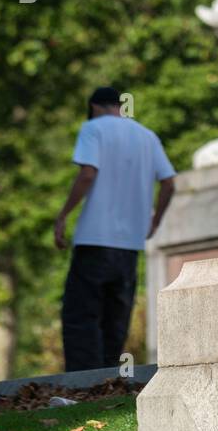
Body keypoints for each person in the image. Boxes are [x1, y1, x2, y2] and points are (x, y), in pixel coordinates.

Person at [54, 87, 176, 371]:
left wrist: (63, 216)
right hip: (130, 246)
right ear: (119, 106)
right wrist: (155, 220)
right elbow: (169, 182)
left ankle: (83, 382)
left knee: (82, 314)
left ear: (94, 107)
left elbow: (87, 173)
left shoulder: (93, 128)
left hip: (94, 239)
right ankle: (109, 380)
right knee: (116, 318)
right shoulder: (147, 136)